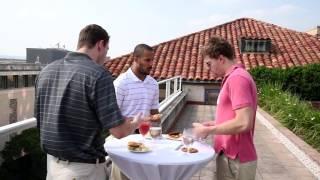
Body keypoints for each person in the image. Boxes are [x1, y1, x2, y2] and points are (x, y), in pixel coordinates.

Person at [35, 24, 140, 180]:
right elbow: (119, 132)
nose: (106, 55)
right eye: (107, 49)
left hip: (52, 168)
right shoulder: (99, 75)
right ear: (100, 44)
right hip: (83, 171)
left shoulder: (45, 72)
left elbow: (42, 118)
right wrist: (135, 123)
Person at [192, 37, 258, 180]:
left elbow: (244, 122)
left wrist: (208, 130)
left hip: (236, 159)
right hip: (230, 156)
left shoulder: (237, 79)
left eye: (209, 64)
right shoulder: (234, 77)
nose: (208, 69)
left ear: (221, 59)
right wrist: (215, 123)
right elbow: (234, 117)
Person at [111, 44, 160, 180]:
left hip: (146, 138)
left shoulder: (153, 84)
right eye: (147, 60)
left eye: (152, 60)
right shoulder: (121, 83)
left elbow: (154, 112)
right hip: (125, 139)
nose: (151, 64)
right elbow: (113, 116)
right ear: (136, 59)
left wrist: (157, 131)